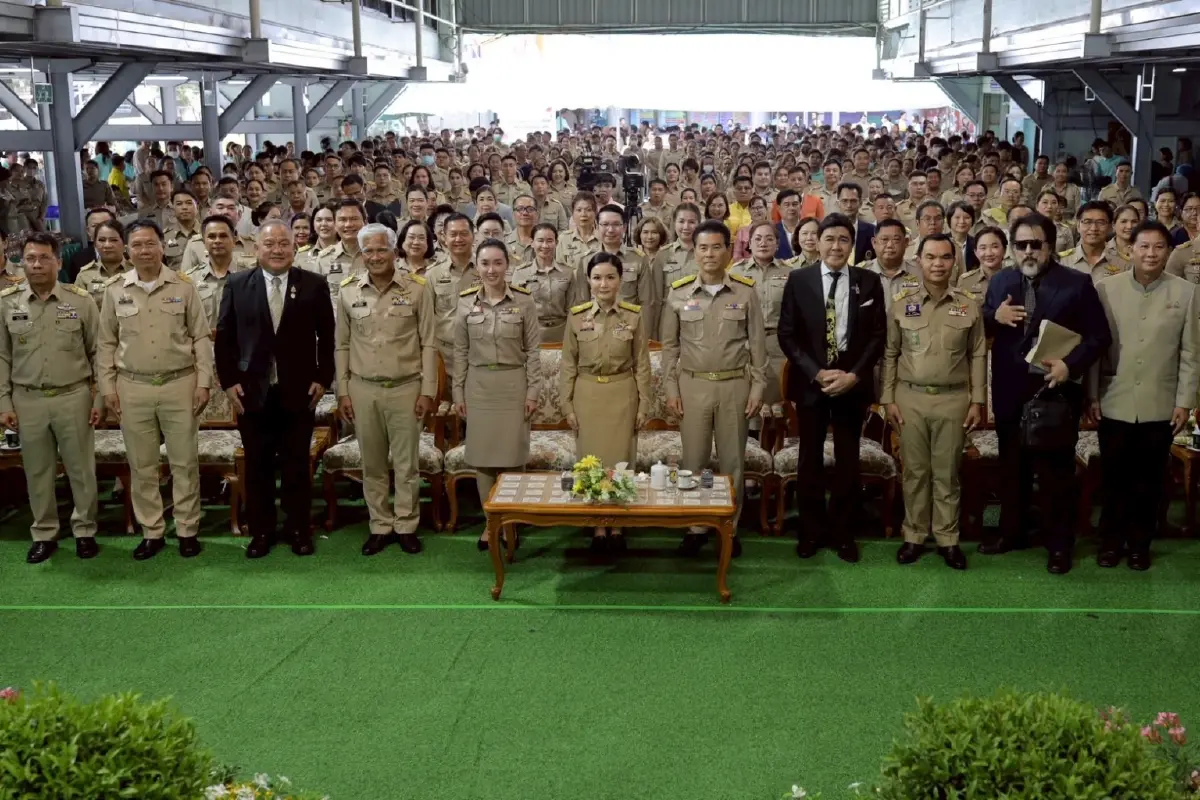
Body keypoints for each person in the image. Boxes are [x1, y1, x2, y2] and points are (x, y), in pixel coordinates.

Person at [981, 212, 1112, 574]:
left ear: (1050, 246)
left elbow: (1099, 337)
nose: (1027, 252)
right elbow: (981, 322)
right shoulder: (1001, 281)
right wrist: (994, 317)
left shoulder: (1076, 283)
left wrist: (1070, 366)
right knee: (1012, 469)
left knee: (1056, 475)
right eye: (1020, 245)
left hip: (1054, 392)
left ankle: (1059, 546)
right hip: (1009, 393)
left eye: (1034, 245)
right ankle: (1012, 533)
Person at [215, 220, 334, 559]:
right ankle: (262, 531)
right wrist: (229, 383)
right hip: (252, 394)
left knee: (298, 465)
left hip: (299, 393)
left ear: (294, 248)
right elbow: (224, 340)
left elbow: (327, 339)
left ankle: (299, 529)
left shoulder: (313, 284)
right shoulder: (238, 285)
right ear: (257, 248)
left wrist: (323, 378)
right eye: (270, 244)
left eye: (284, 243)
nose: (278, 250)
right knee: (258, 466)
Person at [96, 221, 213, 561]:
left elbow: (201, 338)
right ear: (127, 251)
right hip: (133, 386)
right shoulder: (115, 289)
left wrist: (204, 382)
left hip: (180, 383)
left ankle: (188, 528)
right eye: (137, 245)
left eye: (150, 244)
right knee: (142, 465)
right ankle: (152, 531)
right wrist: (108, 389)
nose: (144, 251)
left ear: (163, 247)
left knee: (184, 463)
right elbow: (105, 343)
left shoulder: (184, 286)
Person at [1088, 221, 1199, 570]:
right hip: (1113, 398)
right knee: (1114, 477)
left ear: (1168, 252)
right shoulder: (1105, 288)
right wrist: (1091, 395)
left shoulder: (1187, 292)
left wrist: (1185, 401)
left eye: (1158, 247)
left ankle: (1139, 545)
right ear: (1130, 250)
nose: (1150, 254)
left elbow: (1191, 351)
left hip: (1160, 403)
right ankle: (1110, 542)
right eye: (1144, 247)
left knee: (1149, 482)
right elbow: (1095, 348)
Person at [778, 214, 887, 563]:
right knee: (809, 458)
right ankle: (811, 531)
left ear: (851, 245)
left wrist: (854, 375)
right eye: (829, 239)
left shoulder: (869, 282)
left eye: (843, 239)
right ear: (817, 242)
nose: (836, 245)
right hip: (812, 384)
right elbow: (787, 334)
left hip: (851, 385)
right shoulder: (799, 279)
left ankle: (843, 532)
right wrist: (816, 372)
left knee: (847, 460)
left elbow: (877, 337)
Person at [660, 220, 767, 557]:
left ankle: (729, 528)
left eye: (716, 247)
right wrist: (671, 388)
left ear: (727, 250)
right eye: (703, 247)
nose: (709, 254)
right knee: (693, 460)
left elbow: (758, 345)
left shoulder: (745, 291)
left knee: (733, 461)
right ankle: (695, 525)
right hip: (692, 386)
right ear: (694, 251)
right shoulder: (678, 292)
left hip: (735, 385)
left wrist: (758, 387)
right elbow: (669, 347)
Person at [881, 234, 986, 570]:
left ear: (954, 261)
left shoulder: (969, 305)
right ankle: (913, 535)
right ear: (920, 260)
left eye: (944, 257)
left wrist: (978, 401)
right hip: (909, 398)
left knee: (947, 474)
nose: (937, 264)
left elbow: (979, 354)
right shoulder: (901, 303)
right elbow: (890, 353)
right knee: (914, 473)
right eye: (930, 257)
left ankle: (947, 538)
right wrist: (887, 399)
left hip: (954, 399)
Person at [334, 223, 437, 556]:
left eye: (381, 249)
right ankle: (380, 525)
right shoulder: (348, 290)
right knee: (373, 464)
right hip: (363, 389)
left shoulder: (419, 288)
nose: (375, 257)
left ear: (395, 251)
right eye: (368, 251)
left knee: (407, 465)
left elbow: (430, 343)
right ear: (361, 254)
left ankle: (406, 524)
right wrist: (343, 392)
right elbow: (342, 345)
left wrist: (428, 391)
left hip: (406, 387)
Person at [0, 234, 102, 563]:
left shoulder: (81, 301)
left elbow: (98, 352)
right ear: (22, 261)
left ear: (58, 261)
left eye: (44, 258)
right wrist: (4, 402)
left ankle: (85, 530)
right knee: (37, 471)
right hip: (27, 399)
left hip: (73, 395)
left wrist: (99, 399)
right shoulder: (7, 302)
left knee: (80, 469)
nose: (37, 265)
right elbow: (2, 356)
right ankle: (44, 532)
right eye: (30, 258)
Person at [560, 251, 652, 552]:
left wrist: (644, 404)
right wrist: (567, 405)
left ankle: (618, 524)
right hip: (587, 395)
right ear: (588, 281)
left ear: (620, 280)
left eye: (610, 277)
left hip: (622, 393)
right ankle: (598, 525)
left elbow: (641, 363)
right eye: (597, 277)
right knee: (591, 461)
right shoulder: (576, 317)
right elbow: (568, 365)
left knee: (621, 460)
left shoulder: (633, 315)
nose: (604, 284)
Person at [452, 239, 540, 549]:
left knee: (513, 458)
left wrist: (533, 392)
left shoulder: (524, 301)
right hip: (478, 386)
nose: (491, 270)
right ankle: (491, 524)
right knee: (483, 458)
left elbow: (532, 351)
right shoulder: (464, 301)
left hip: (513, 385)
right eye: (485, 263)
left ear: (507, 265)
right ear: (477, 266)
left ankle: (511, 522)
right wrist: (458, 393)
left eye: (497, 263)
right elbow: (460, 351)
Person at [729, 221, 796, 409]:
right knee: (748, 405)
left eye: (769, 239)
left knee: (776, 405)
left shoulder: (790, 273)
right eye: (757, 239)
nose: (763, 243)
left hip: (778, 345)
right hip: (746, 344)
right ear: (749, 243)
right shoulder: (736, 272)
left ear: (777, 243)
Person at [427, 214, 480, 381]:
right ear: (443, 237)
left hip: (480, 353)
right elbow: (426, 320)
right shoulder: (433, 274)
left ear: (473, 235)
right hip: (445, 357)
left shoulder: (487, 270)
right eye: (453, 234)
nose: (458, 239)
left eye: (464, 233)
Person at [509, 223, 577, 343]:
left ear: (556, 243)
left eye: (550, 240)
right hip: (532, 334)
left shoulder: (567, 272)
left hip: (562, 333)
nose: (545, 245)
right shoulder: (521, 273)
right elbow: (516, 308)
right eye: (540, 240)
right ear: (532, 242)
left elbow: (572, 308)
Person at [1061, 201, 1128, 284]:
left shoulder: (1124, 264)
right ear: (1078, 226)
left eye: (1100, 222)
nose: (1093, 228)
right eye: (1087, 222)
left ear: (1110, 227)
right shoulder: (1062, 261)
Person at [74, 219, 132, 310]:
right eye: (101, 240)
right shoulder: (85, 275)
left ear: (124, 243)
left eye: (113, 240)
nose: (107, 245)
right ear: (95, 244)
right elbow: (79, 311)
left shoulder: (136, 270)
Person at [958, 226, 1008, 299]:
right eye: (983, 248)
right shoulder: (966, 281)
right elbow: (961, 308)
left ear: (1004, 250)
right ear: (975, 252)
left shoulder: (1016, 278)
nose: (989, 253)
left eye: (995, 247)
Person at [556, 191, 602, 265]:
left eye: (588, 210)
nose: (583, 214)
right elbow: (560, 270)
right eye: (579, 210)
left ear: (595, 212)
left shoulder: (603, 238)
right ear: (573, 213)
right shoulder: (563, 239)